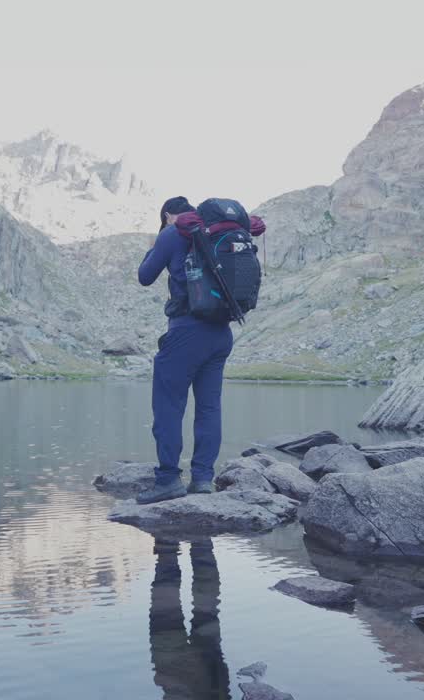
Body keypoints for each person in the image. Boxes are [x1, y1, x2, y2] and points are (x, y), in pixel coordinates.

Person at [136, 196, 235, 504]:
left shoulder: (172, 232)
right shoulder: (216, 233)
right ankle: (203, 478)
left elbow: (144, 276)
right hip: (221, 332)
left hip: (186, 332)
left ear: (167, 215)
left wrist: (162, 237)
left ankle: (168, 480)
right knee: (209, 408)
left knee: (168, 406)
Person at [147, 536, 230, 699]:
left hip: (180, 674)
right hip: (176, 673)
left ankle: (192, 539)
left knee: (202, 608)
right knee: (170, 597)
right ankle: (196, 538)